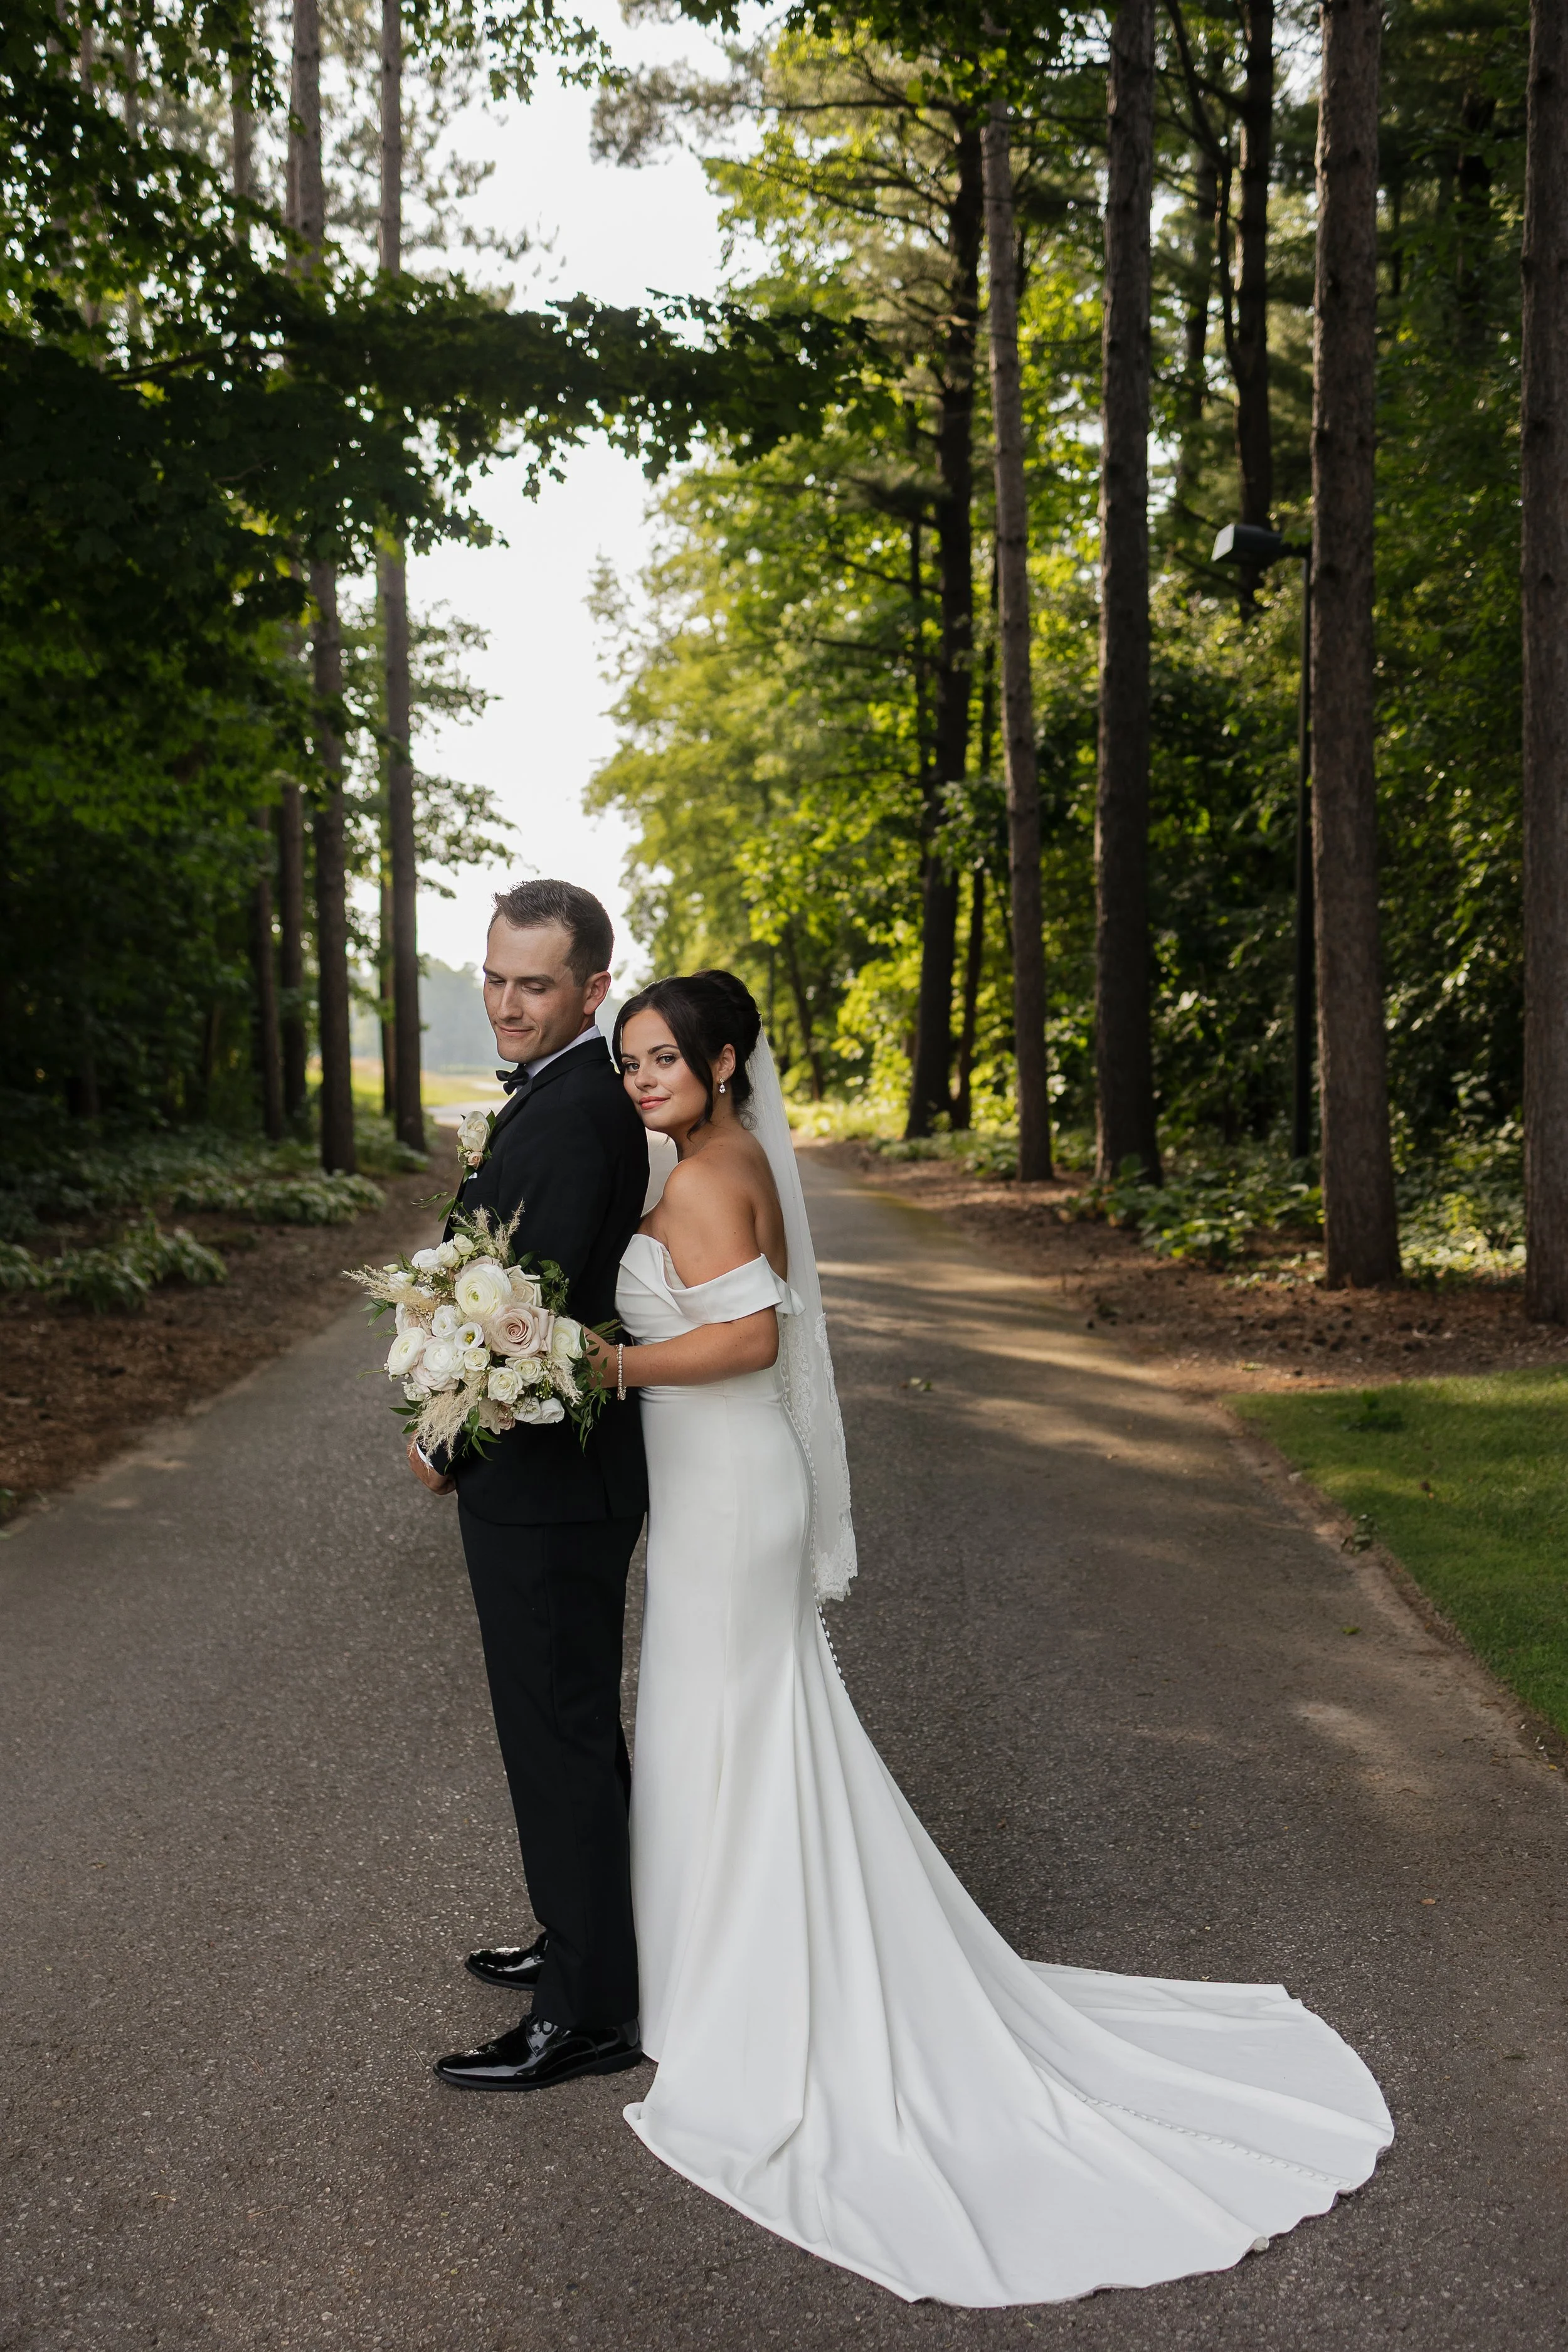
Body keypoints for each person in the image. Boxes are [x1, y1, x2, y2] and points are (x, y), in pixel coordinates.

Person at [583, 967, 1394, 2308]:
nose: (642, 1080)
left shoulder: (715, 1173)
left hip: (727, 1492)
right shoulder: (706, 1157)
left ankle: (737, 1995)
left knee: (723, 1729)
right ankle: (705, 1971)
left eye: (661, 1058)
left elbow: (737, 1348)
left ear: (724, 1066)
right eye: (630, 1062)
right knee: (726, 1732)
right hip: (716, 1493)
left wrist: (601, 1363)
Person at [415, 879, 650, 2094]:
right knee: (565, 1737)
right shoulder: (560, 1095)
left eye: (535, 985)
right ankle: (593, 1939)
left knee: (555, 1740)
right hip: (552, 1480)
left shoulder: (571, 1116)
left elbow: (528, 1318)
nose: (506, 1005)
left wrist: (442, 1440)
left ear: (591, 990)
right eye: (495, 979)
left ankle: (590, 2011)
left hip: (551, 1483)